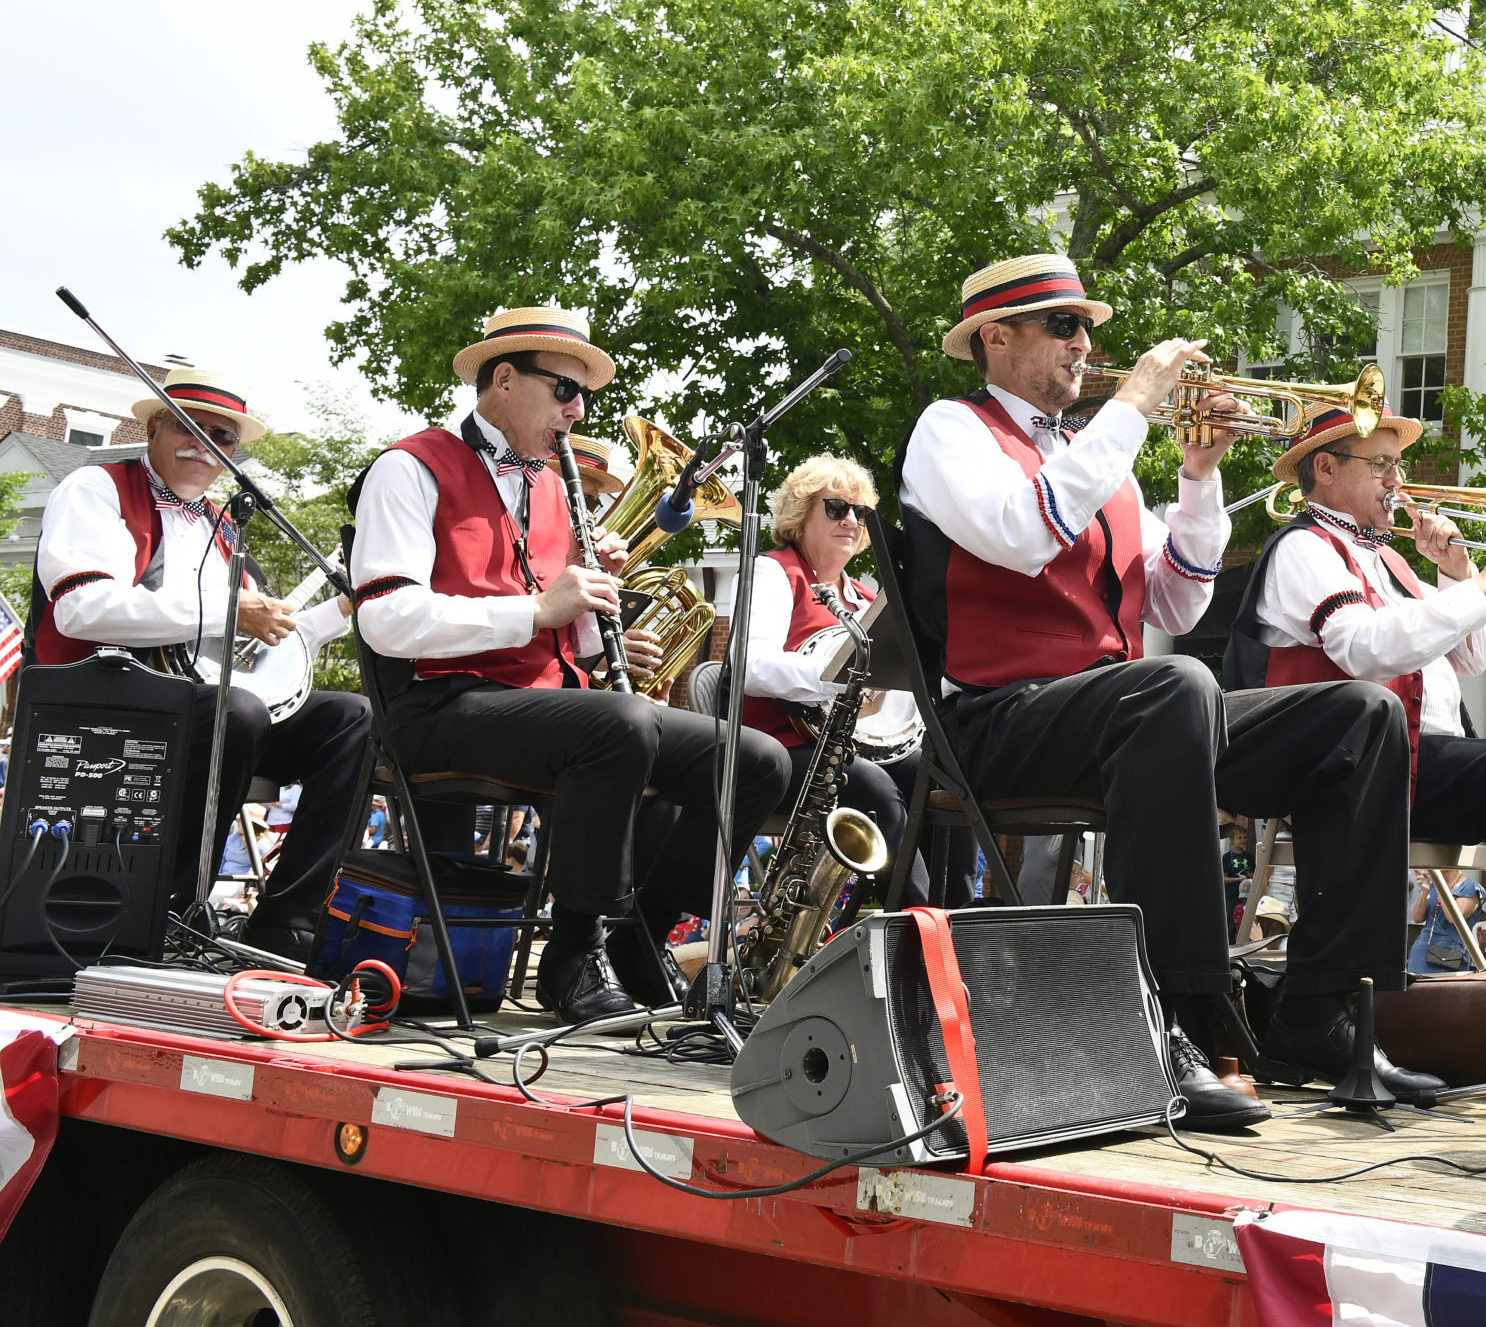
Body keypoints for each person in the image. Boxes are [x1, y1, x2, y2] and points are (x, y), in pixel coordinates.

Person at [897, 255, 1435, 1128]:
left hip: (1127, 714)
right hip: (993, 717)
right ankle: (1171, 1018)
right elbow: (1023, 531)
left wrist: (1199, 474)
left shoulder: (1091, 452)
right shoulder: (949, 430)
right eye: (1063, 325)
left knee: (1359, 714)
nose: (1086, 343)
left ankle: (1321, 1010)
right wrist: (1134, 405)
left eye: (1088, 327)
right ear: (995, 338)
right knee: (1172, 687)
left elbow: (1179, 597)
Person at [349, 307, 790, 1024]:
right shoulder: (409, 467)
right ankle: (572, 954)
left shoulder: (554, 485)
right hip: (438, 707)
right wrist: (538, 608)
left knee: (759, 759)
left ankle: (643, 935)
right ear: (502, 380)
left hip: (542, 705)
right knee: (617, 724)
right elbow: (385, 617)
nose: (579, 410)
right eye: (564, 389)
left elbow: (569, 645)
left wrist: (588, 597)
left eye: (584, 394)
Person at [1226, 405, 1486, 1035]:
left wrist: (1456, 576)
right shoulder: (1302, 549)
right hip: (1358, 773)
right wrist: (1482, 588)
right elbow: (1364, 647)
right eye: (1381, 465)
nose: (1396, 480)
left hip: (1427, 761)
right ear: (1325, 468)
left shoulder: (1390, 562)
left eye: (1397, 464)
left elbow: (1471, 659)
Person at [30, 368, 369, 961]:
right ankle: (169, 912)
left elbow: (264, 648)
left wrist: (349, 604)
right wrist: (229, 609)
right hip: (107, 700)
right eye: (189, 426)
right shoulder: (97, 488)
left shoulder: (221, 524)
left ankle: (288, 921)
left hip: (212, 712)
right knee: (234, 711)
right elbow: (80, 611)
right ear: (154, 427)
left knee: (351, 718)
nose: (204, 444)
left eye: (222, 437)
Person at [736, 454, 922, 902]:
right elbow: (750, 666)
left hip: (855, 748)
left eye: (861, 512)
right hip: (782, 748)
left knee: (940, 775)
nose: (852, 520)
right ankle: (921, 927)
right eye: (836, 508)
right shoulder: (774, 572)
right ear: (801, 515)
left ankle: (955, 913)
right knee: (872, 785)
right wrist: (844, 677)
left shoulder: (865, 596)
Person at [1408, 869, 1486, 975]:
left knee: (1443, 990)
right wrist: (1425, 891)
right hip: (1421, 951)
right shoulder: (1434, 885)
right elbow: (1417, 918)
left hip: (1449, 955)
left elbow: (1453, 918)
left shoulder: (1470, 887)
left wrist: (1439, 886)